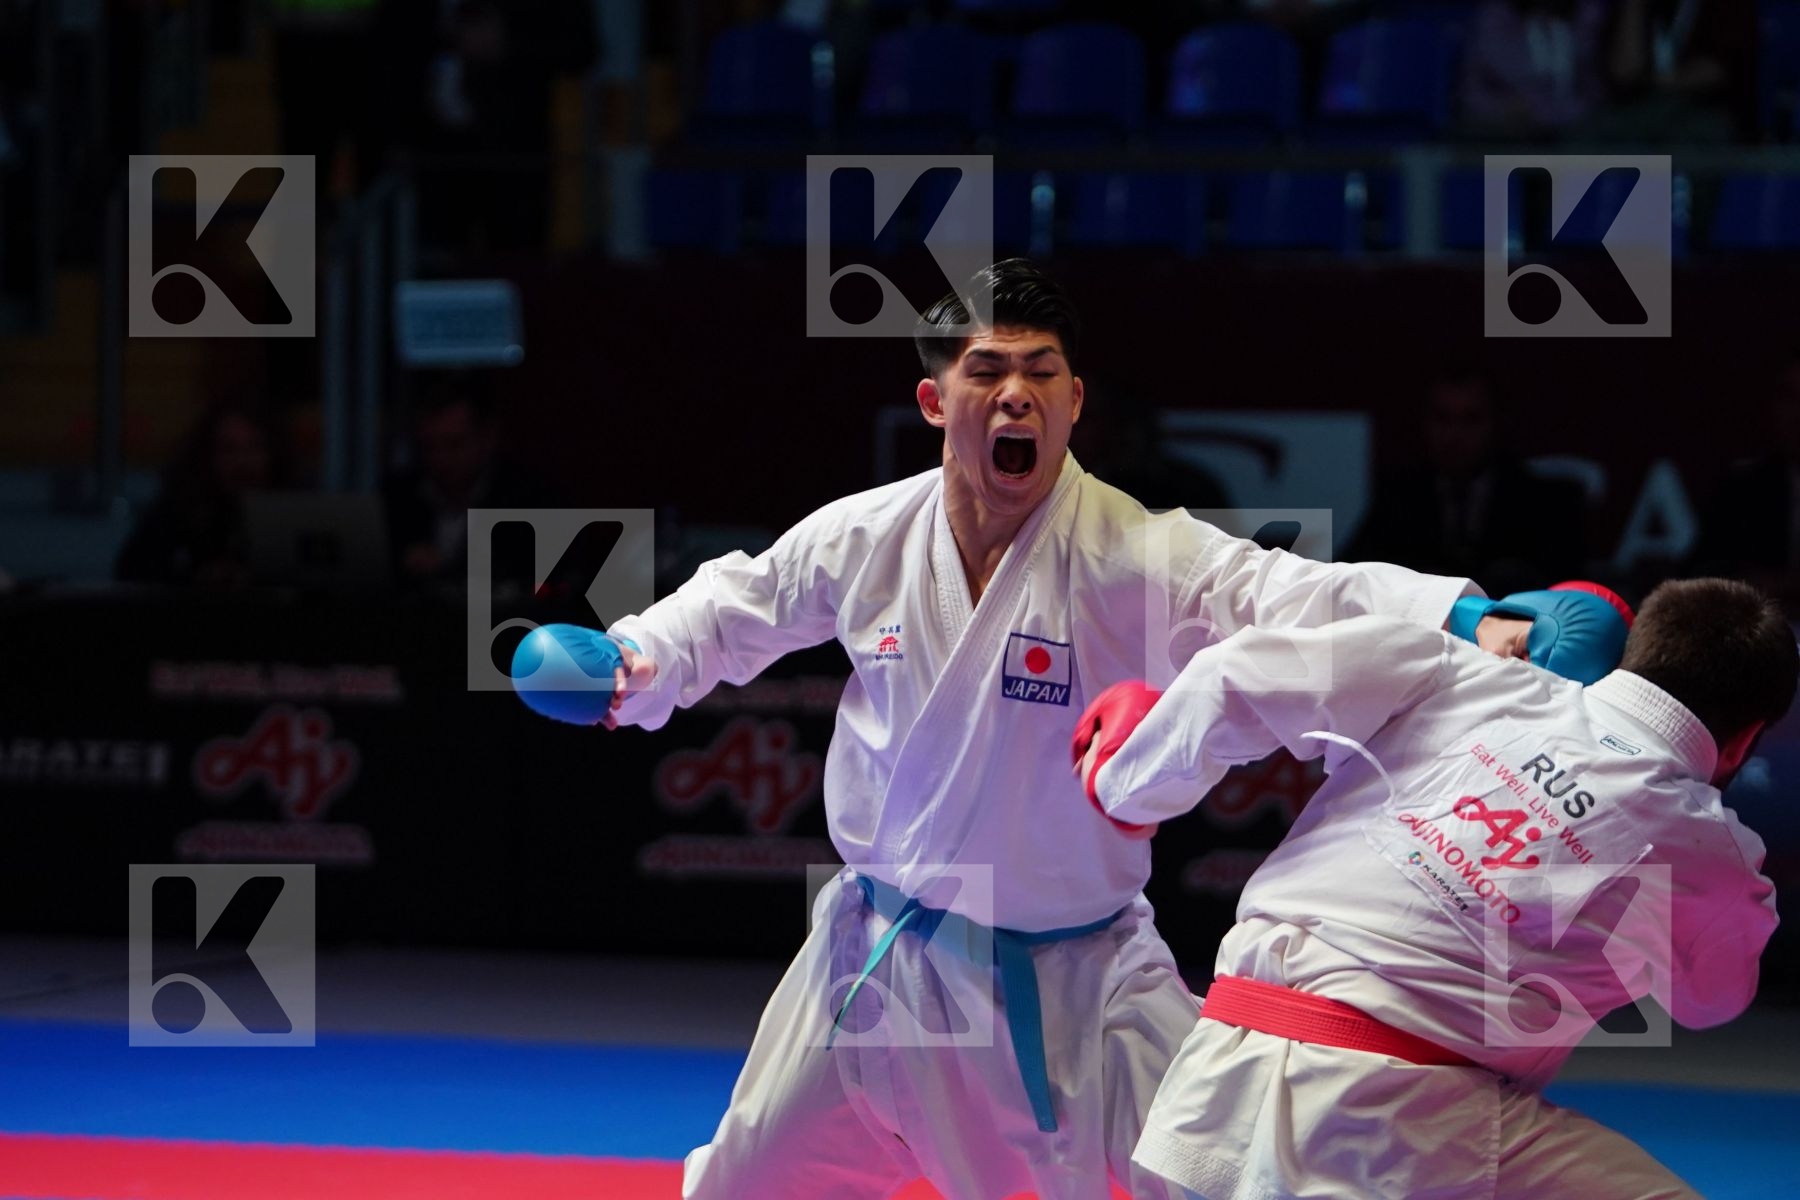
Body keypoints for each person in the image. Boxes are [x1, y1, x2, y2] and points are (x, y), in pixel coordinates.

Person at [588, 259, 1519, 1198]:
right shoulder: (865, 537)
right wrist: (631, 661)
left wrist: (1467, 620)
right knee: (741, 1189)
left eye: (1040, 372)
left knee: (1225, 1180)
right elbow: (733, 604)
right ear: (933, 399)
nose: (1015, 395)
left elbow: (1287, 591)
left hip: (1078, 983)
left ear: (1076, 401)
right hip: (875, 964)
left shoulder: (1134, 552)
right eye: (987, 371)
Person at [1079, 577, 1795, 1200]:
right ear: (1742, 741)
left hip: (1220, 1067)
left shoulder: (1464, 670)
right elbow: (1707, 1004)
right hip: (1406, 1122)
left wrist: (1127, 786)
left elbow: (1237, 672)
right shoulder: (1708, 850)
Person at [1349, 371, 1587, 599]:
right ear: (1425, 423)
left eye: (1470, 419)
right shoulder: (1399, 498)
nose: (1455, 435)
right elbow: (1355, 574)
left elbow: (1566, 589)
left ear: (1497, 422)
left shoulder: (1542, 503)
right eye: (1443, 418)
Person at [116, 401, 288, 589]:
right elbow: (132, 569)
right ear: (208, 456)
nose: (243, 461)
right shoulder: (180, 508)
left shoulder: (291, 512)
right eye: (229, 449)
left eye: (255, 447)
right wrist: (195, 576)